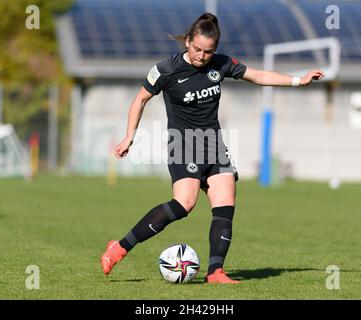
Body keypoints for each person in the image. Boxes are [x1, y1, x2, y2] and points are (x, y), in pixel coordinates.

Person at [101, 12, 324, 284]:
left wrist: (297, 80)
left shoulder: (221, 64)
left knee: (225, 203)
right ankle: (120, 247)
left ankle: (215, 272)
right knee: (184, 204)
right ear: (187, 42)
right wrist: (128, 137)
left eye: (209, 51)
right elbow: (139, 100)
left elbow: (257, 75)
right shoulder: (166, 70)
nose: (202, 56)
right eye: (197, 49)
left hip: (214, 145)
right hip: (183, 144)